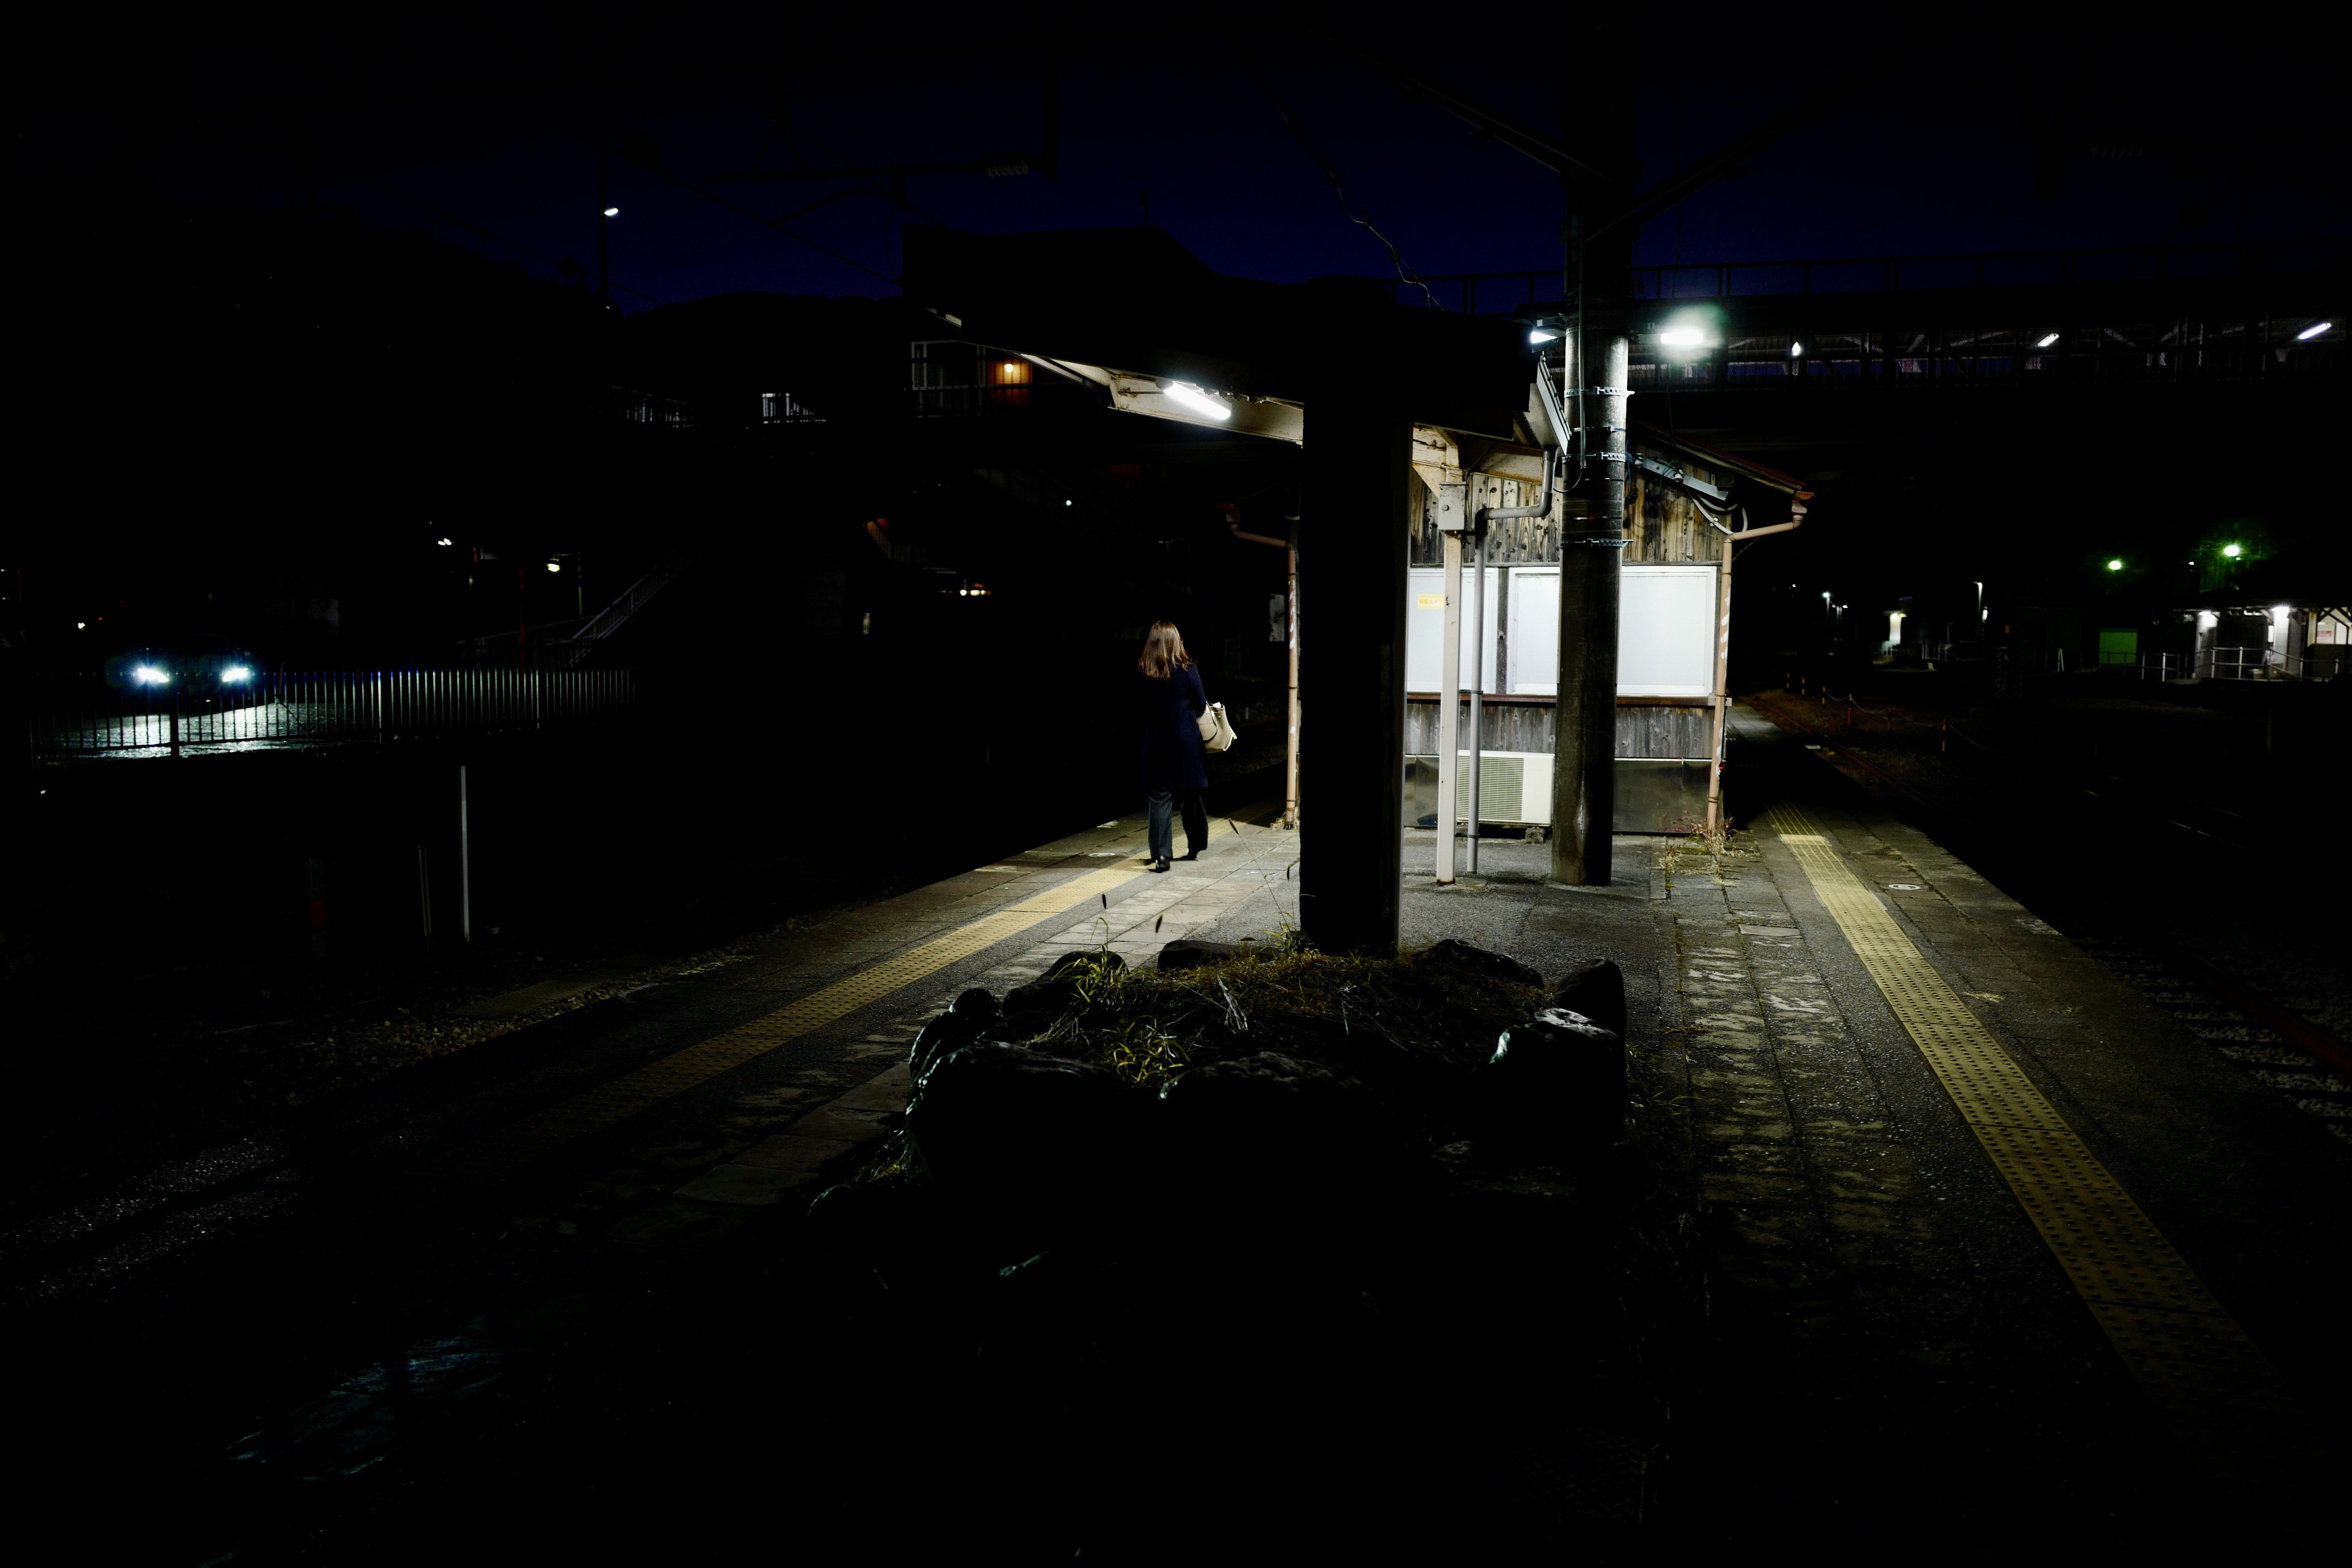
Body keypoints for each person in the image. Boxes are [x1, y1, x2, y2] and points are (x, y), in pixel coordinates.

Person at [1136, 620, 1210, 872]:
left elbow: (1140, 710)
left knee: (1160, 798)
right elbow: (1201, 706)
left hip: (1156, 742)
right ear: (1176, 641)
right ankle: (1196, 845)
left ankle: (1161, 856)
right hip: (1186, 742)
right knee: (1191, 794)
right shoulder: (1188, 669)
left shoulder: (1144, 672)